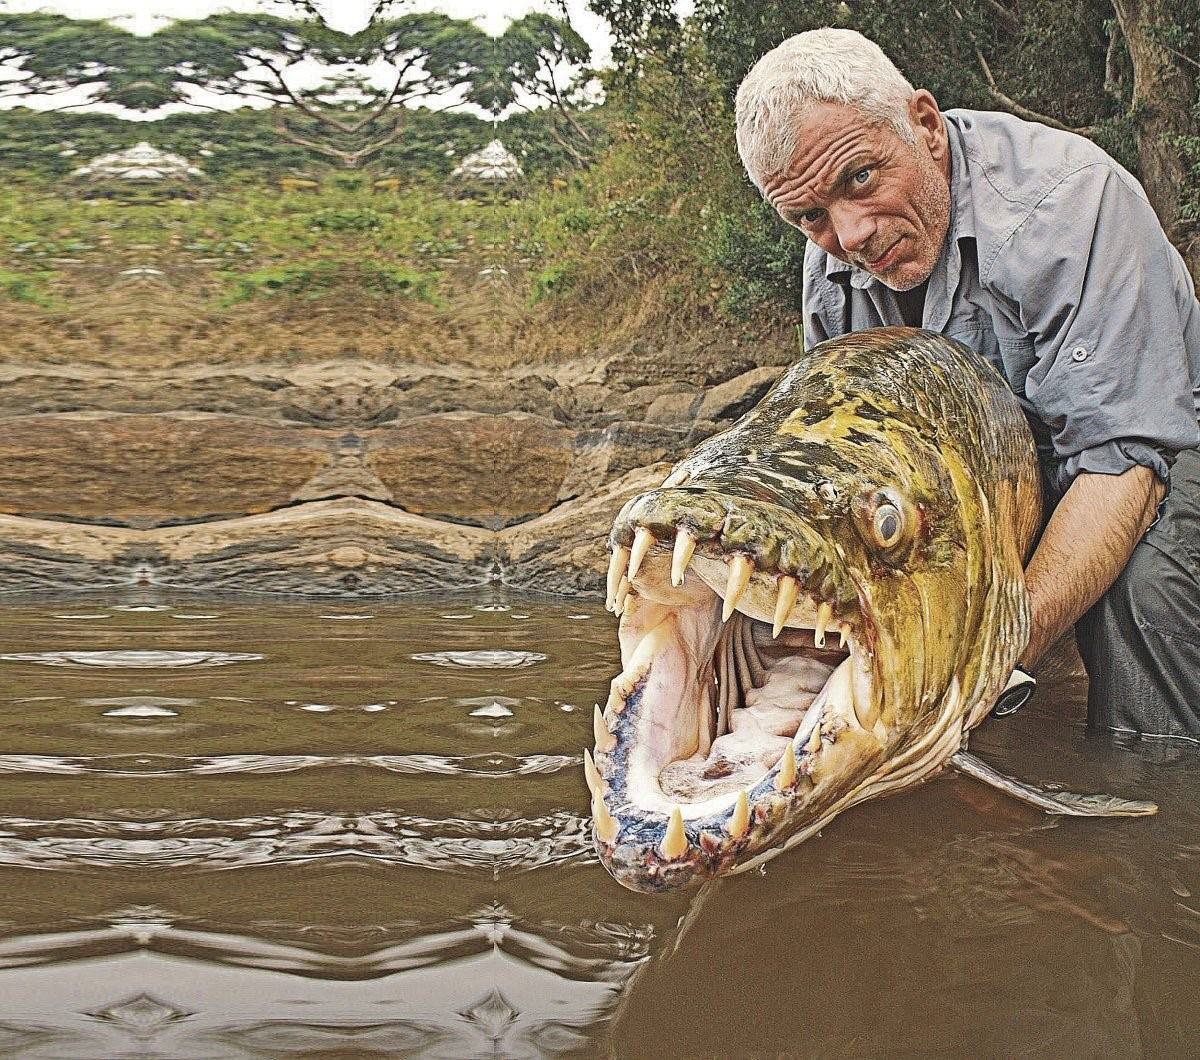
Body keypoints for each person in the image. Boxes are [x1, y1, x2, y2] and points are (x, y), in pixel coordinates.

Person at [733, 28, 1200, 739]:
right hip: (1002, 473)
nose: (850, 235)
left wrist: (985, 662)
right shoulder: (829, 264)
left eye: (860, 178)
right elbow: (844, 467)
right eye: (809, 216)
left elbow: (1122, 468)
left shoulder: (1071, 204)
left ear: (925, 126)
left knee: (1144, 593)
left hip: (1156, 443)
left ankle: (1158, 811)